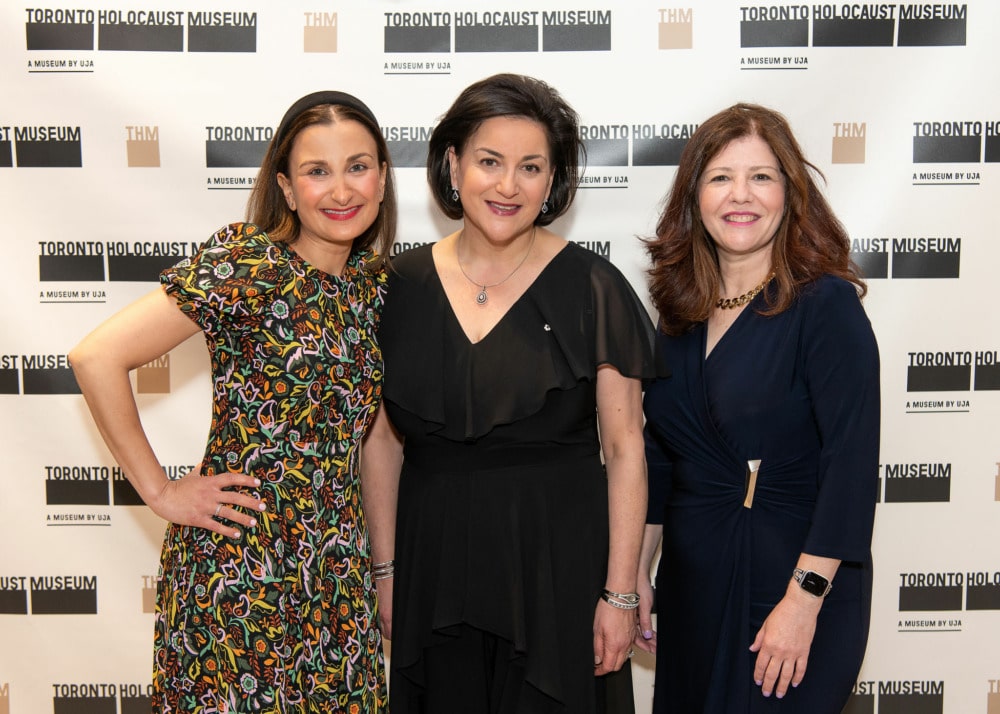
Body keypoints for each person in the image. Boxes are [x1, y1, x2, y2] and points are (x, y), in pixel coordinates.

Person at [68, 90, 396, 713]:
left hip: (336, 573)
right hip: (240, 565)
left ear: (381, 177)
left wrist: (383, 569)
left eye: (357, 166)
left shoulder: (378, 290)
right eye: (316, 171)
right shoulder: (247, 264)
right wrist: (162, 492)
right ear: (287, 187)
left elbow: (377, 439)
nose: (341, 190)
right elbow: (97, 357)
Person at [361, 73, 658, 714]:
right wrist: (385, 572)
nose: (507, 185)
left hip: (558, 574)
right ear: (453, 164)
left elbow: (626, 448)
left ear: (552, 182)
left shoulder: (594, 289)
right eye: (489, 161)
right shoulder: (395, 286)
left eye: (531, 167)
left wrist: (620, 594)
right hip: (433, 569)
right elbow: (381, 443)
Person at [635, 103, 880, 713]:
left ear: (791, 193)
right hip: (694, 583)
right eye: (720, 177)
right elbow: (662, 462)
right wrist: (637, 571)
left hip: (793, 583)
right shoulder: (679, 317)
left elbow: (851, 463)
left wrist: (803, 602)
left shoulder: (824, 306)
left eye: (761, 177)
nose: (739, 195)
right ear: (693, 196)